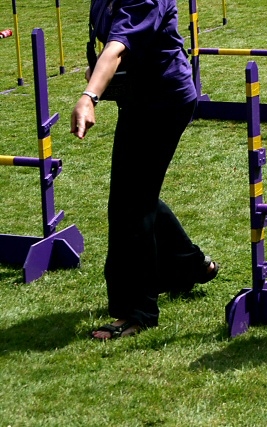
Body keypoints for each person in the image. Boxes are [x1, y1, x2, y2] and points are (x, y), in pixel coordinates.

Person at [70, 0, 218, 339]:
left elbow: (118, 46)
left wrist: (89, 95)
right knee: (136, 194)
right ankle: (189, 265)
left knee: (130, 204)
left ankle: (136, 312)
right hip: (137, 98)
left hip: (165, 100)